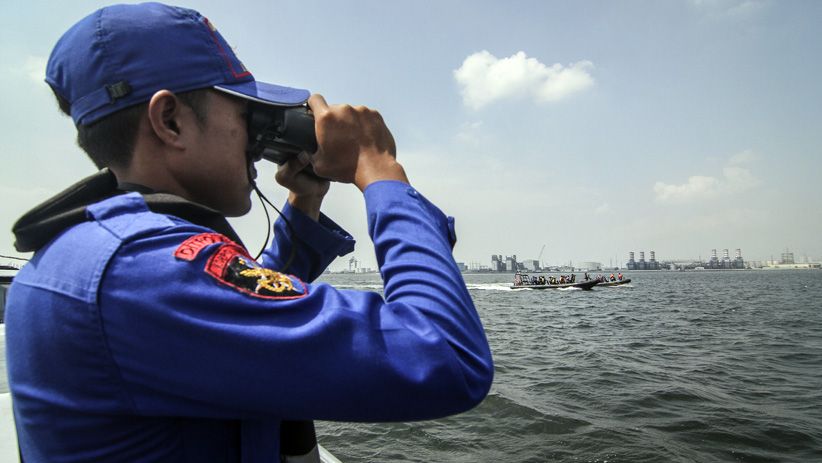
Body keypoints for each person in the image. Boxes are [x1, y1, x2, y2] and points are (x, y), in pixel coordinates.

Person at [4, 4, 493, 462]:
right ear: (169, 120)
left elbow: (243, 309)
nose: (258, 145)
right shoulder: (135, 272)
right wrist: (380, 173)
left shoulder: (100, 254)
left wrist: (304, 201)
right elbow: (441, 354)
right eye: (246, 116)